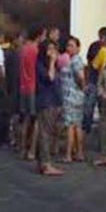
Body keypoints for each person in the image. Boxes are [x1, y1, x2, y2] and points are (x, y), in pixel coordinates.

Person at [36, 41, 65, 176]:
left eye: (54, 48)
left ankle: (45, 161)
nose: (52, 52)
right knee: (45, 133)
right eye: (49, 49)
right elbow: (50, 78)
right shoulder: (41, 65)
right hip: (46, 102)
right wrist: (53, 62)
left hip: (55, 101)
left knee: (49, 132)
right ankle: (45, 164)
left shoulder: (53, 65)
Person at [20, 26, 46, 160]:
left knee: (26, 119)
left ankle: (23, 148)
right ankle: (32, 150)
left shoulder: (23, 48)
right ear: (38, 36)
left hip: (23, 86)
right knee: (37, 120)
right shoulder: (35, 50)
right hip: (34, 86)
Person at [84, 27, 106, 135]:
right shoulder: (95, 46)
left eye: (103, 37)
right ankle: (86, 131)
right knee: (89, 108)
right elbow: (91, 64)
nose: (101, 39)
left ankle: (104, 135)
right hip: (94, 80)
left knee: (104, 110)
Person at [60, 36, 86, 163]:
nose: (69, 48)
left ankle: (68, 153)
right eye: (68, 45)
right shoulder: (71, 60)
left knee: (70, 125)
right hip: (74, 96)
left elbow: (81, 77)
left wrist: (81, 87)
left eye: (72, 45)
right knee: (77, 125)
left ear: (78, 48)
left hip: (72, 97)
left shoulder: (75, 61)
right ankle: (79, 152)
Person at [3, 33, 21, 150]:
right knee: (14, 113)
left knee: (11, 113)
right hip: (15, 86)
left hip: (10, 85)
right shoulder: (15, 54)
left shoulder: (7, 53)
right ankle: (13, 137)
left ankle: (11, 136)